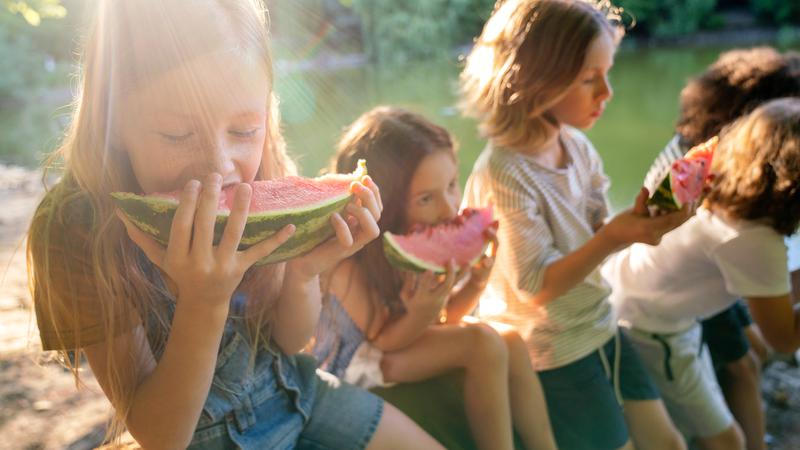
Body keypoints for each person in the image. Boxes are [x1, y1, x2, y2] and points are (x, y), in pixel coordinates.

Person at [26, 1, 444, 448]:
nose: (219, 166)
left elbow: (288, 342)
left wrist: (306, 271)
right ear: (113, 123)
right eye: (176, 134)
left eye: (244, 131)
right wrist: (203, 303)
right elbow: (160, 435)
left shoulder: (261, 172)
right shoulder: (75, 230)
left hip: (302, 394)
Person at [460, 1, 689, 449]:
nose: (607, 92)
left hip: (601, 324)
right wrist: (611, 236)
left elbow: (595, 229)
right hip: (552, 350)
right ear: (534, 80)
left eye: (608, 72)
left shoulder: (577, 147)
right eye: (589, 79)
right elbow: (536, 284)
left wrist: (642, 223)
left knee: (668, 443)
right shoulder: (506, 172)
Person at [315, 106, 557, 450]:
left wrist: (474, 284)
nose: (449, 209)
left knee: (511, 340)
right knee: (483, 343)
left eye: (452, 186)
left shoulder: (415, 242)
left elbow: (447, 319)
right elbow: (384, 340)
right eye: (426, 198)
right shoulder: (347, 263)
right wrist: (421, 312)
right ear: (386, 203)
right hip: (362, 362)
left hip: (407, 339)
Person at [602, 97, 800, 450]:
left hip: (632, 293)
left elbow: (775, 290)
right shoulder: (754, 239)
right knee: (727, 441)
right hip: (650, 327)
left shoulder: (724, 184)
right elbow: (784, 338)